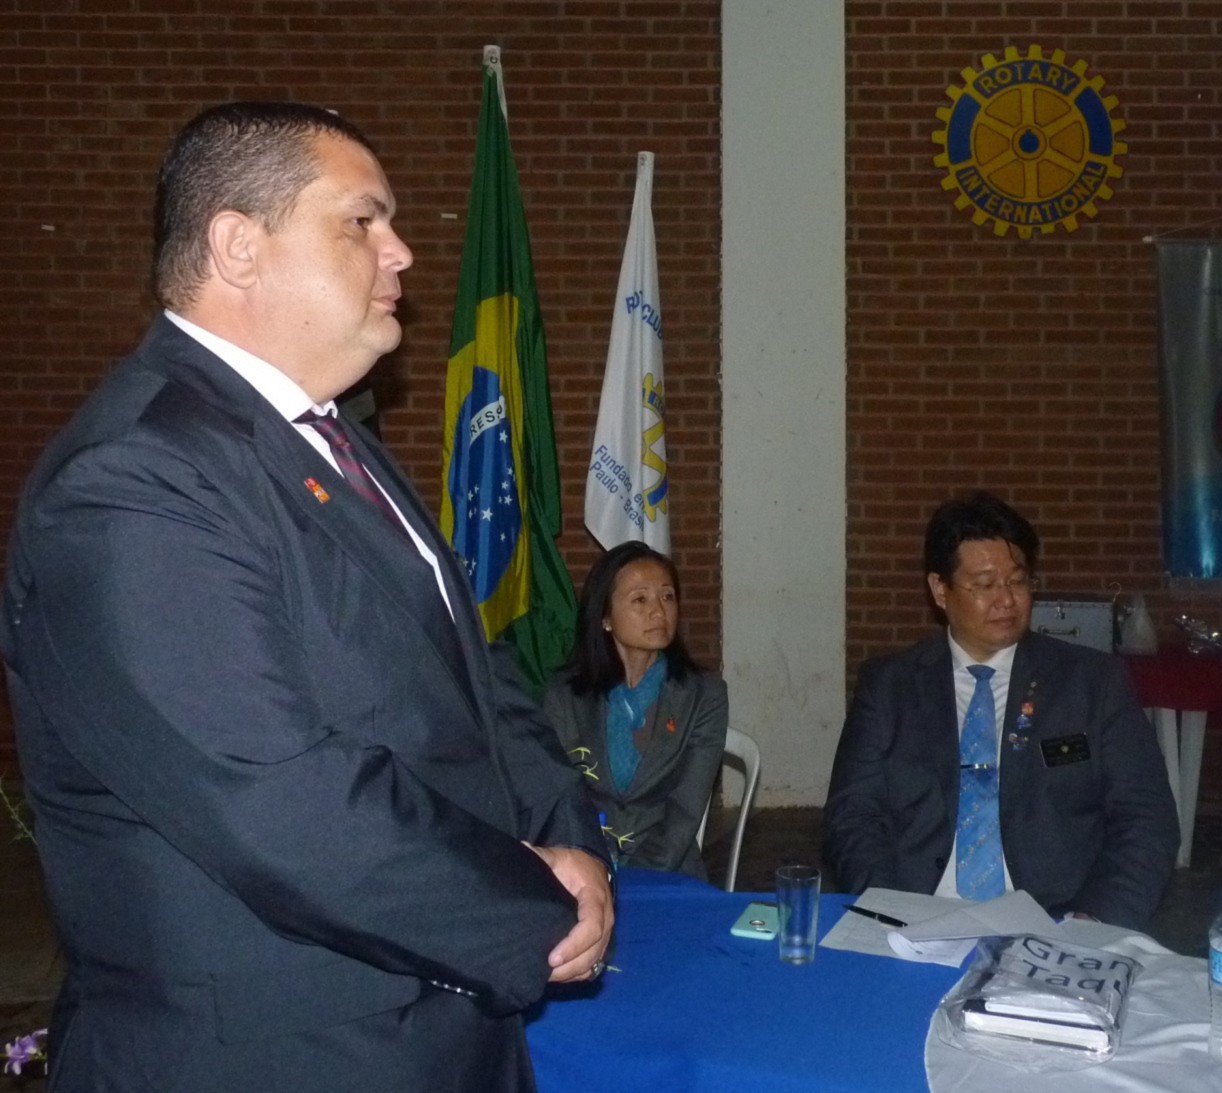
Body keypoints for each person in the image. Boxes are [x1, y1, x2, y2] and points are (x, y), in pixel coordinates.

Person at [0, 102, 613, 1092]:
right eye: (362, 221)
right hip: (279, 1055)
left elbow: (477, 681)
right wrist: (533, 907)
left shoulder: (331, 441)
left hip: (430, 1022)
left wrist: (573, 846)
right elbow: (276, 797)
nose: (401, 252)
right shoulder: (135, 479)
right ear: (239, 247)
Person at [823, 491, 1179, 929]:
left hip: (1054, 919)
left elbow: (1147, 817)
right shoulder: (890, 687)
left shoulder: (1092, 682)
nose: (1007, 600)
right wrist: (891, 911)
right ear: (940, 589)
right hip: (916, 914)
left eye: (1018, 581)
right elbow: (853, 815)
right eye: (985, 585)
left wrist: (1094, 922)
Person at [543, 542, 729, 879]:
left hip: (667, 871)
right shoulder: (566, 695)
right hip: (584, 867)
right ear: (605, 617)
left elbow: (685, 811)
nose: (659, 612)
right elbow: (557, 796)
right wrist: (592, 871)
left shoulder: (704, 695)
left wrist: (634, 879)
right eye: (640, 599)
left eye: (667, 596)